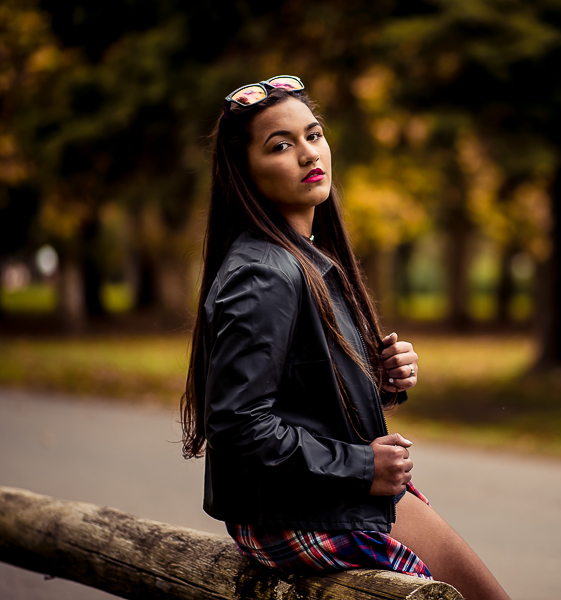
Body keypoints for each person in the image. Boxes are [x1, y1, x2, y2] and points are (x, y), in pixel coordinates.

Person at [180, 75, 511, 600]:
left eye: (313, 135)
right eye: (280, 146)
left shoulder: (301, 257)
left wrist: (379, 379)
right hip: (293, 513)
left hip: (307, 497)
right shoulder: (265, 273)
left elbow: (294, 390)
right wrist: (361, 467)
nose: (308, 153)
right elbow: (238, 427)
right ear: (245, 170)